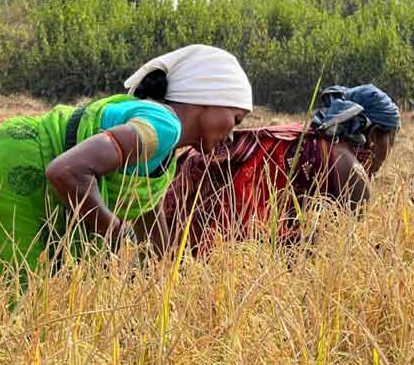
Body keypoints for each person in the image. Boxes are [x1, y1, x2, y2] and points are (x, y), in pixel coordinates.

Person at [0, 44, 253, 280]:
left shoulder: (164, 151)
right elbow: (66, 172)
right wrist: (116, 234)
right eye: (236, 119)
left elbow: (148, 213)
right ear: (209, 97)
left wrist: (168, 279)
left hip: (11, 174)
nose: (232, 135)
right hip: (12, 181)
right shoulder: (163, 127)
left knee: (35, 315)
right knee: (11, 314)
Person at [164, 84, 400, 256]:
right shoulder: (350, 171)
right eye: (392, 139)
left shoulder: (300, 136)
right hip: (229, 252)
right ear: (375, 135)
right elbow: (338, 265)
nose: (390, 151)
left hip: (179, 218)